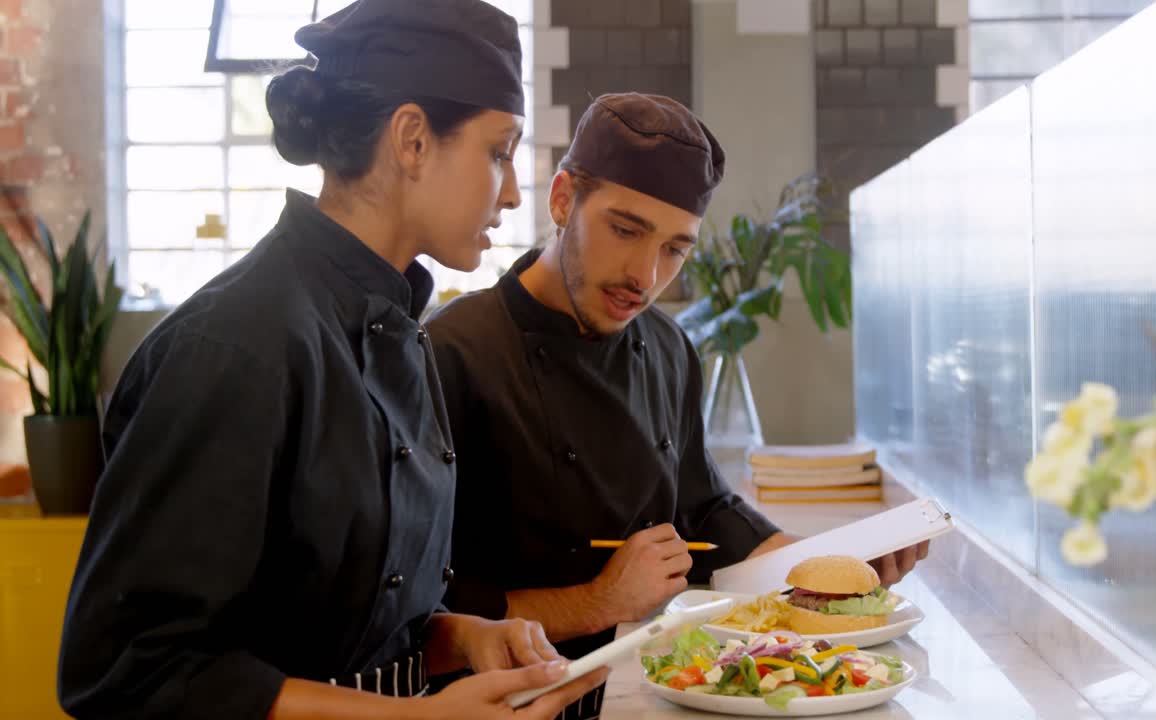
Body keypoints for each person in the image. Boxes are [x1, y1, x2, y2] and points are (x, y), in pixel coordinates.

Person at [56, 1, 605, 718]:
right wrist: (413, 718)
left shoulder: (398, 324)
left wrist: (460, 637)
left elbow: (336, 624)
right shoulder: (232, 346)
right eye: (499, 152)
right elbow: (128, 670)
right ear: (412, 140)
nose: (510, 192)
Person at [425, 93, 928, 720]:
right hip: (504, 705)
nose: (644, 274)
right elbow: (425, 610)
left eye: (675, 248)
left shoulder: (666, 346)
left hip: (651, 685)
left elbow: (704, 507)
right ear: (562, 199)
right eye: (625, 229)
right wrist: (598, 601)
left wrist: (818, 568)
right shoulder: (449, 352)